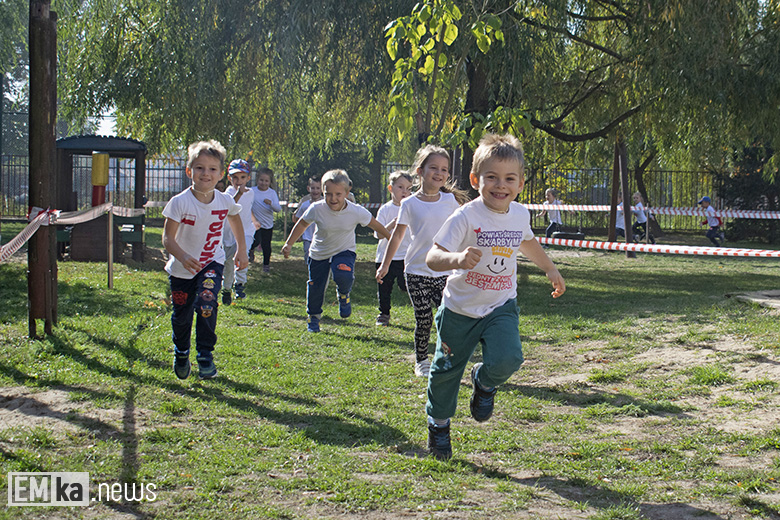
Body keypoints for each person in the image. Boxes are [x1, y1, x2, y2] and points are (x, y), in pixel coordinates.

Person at [423, 133, 566, 460]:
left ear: (520, 183)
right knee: (446, 370)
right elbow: (433, 256)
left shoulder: (519, 214)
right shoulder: (466, 216)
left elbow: (527, 242)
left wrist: (550, 269)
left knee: (509, 358)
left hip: (501, 305)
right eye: (492, 177)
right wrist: (456, 259)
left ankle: (484, 381)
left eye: (509, 179)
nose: (500, 185)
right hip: (460, 309)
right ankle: (439, 424)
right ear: (476, 180)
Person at [376, 144, 467, 377]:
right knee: (424, 316)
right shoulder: (409, 204)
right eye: (434, 167)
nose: (439, 173)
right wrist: (385, 265)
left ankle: (446, 355)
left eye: (444, 169)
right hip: (417, 271)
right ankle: (421, 360)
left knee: (447, 317)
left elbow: (465, 226)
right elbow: (396, 236)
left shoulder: (450, 201)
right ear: (420, 171)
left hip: (445, 270)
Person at [162, 140, 249, 381]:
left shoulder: (224, 200)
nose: (206, 174)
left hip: (212, 262)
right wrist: (183, 256)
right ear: (189, 171)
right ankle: (181, 352)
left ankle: (205, 354)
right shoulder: (179, 202)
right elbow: (167, 239)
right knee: (182, 315)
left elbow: (235, 218)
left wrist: (241, 250)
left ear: (221, 175)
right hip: (182, 269)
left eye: (212, 169)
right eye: (199, 168)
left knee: (207, 303)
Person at [282, 169, 391, 333]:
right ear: (323, 192)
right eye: (328, 194)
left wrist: (391, 238)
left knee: (343, 275)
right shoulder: (316, 208)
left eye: (338, 194)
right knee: (316, 286)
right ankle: (313, 318)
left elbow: (375, 225)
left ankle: (344, 294)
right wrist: (289, 243)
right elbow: (302, 224)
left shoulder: (356, 211)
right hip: (319, 252)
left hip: (344, 251)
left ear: (347, 193)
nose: (333, 199)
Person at [374, 171, 413, 326]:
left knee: (407, 286)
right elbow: (377, 234)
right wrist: (392, 224)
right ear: (390, 188)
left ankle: (420, 311)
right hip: (386, 257)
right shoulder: (385, 209)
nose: (405, 192)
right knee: (384, 288)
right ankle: (383, 314)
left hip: (406, 256)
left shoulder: (412, 207)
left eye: (409, 188)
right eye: (401, 187)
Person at [221, 159, 255, 304]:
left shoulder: (251, 192)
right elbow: (230, 208)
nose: (239, 181)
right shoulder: (228, 193)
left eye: (242, 177)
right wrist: (239, 194)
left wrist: (255, 221)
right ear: (229, 178)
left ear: (248, 178)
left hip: (246, 232)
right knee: (229, 264)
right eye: (235, 177)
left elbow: (247, 210)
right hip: (228, 235)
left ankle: (240, 285)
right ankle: (226, 289)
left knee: (243, 257)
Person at [250, 167, 281, 272]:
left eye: (266, 181)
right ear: (257, 180)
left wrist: (271, 203)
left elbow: (278, 209)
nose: (263, 183)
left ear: (270, 182)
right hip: (254, 223)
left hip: (267, 224)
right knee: (254, 241)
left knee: (266, 245)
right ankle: (251, 251)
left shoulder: (271, 193)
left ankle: (266, 265)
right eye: (261, 180)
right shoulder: (252, 191)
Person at [293, 177, 323, 263]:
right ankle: (309, 267)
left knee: (319, 254)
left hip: (320, 235)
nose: (315, 191)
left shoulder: (325, 204)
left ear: (322, 189)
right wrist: (298, 234)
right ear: (308, 188)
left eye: (318, 188)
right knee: (307, 252)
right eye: (313, 188)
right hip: (307, 236)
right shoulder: (305, 205)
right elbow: (298, 218)